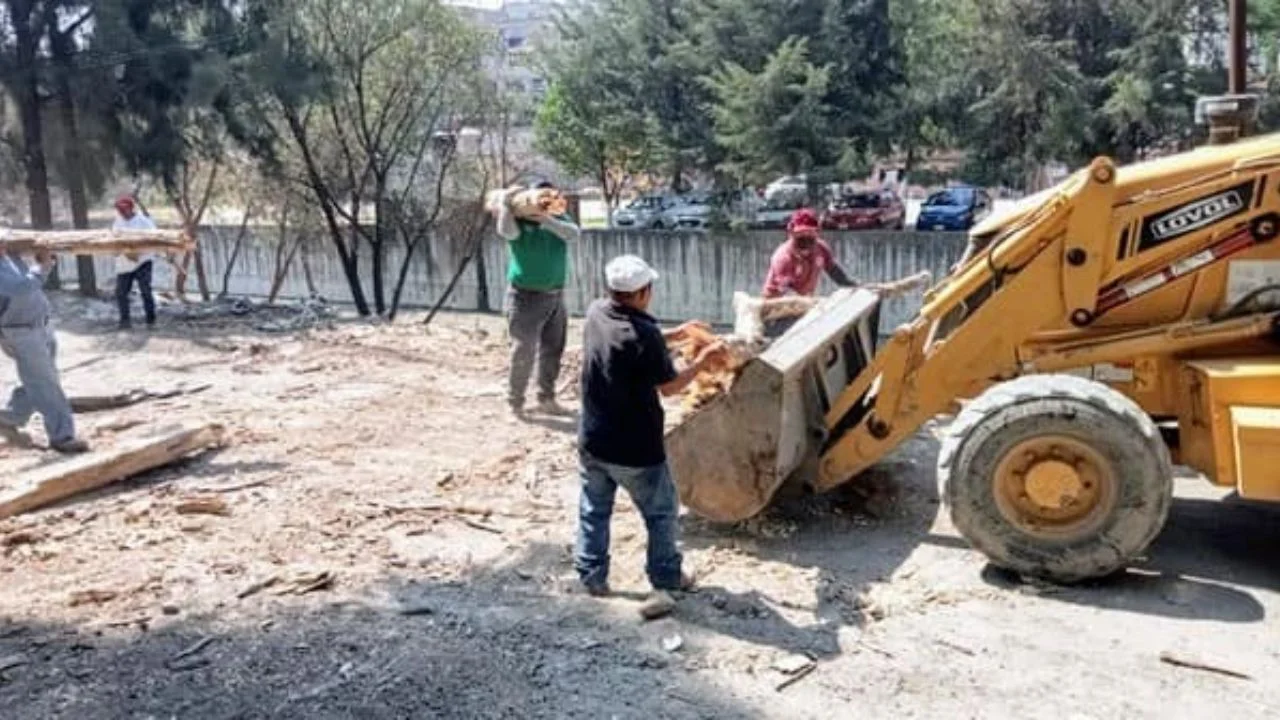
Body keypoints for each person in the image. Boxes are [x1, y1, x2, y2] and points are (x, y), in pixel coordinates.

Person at [575, 254, 727, 597]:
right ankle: (666, 576)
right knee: (660, 513)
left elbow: (637, 343)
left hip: (593, 439)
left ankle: (591, 575)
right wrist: (702, 361)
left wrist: (675, 334)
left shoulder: (596, 312)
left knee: (593, 510)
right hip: (635, 449)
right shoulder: (644, 336)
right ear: (644, 292)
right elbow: (670, 387)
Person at [496, 181, 581, 417]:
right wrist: (505, 203)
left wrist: (546, 219)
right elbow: (506, 232)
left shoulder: (558, 217)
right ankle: (516, 401)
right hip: (524, 297)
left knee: (553, 348)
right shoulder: (518, 221)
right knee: (523, 350)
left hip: (555, 294)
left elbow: (573, 234)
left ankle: (546, 398)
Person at [0, 232, 89, 454]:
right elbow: (21, 287)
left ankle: (10, 416)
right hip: (20, 332)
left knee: (39, 379)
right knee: (46, 382)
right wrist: (44, 266)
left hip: (40, 325)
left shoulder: (9, 256)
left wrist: (43, 263)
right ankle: (62, 436)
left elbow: (33, 282)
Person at [762, 207, 857, 299]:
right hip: (778, 304)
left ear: (817, 232)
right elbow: (785, 292)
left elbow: (836, 274)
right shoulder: (783, 258)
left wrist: (856, 288)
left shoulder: (821, 249)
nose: (806, 240)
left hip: (804, 301)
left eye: (810, 234)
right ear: (791, 233)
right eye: (800, 235)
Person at [112, 196, 158, 330]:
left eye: (124, 210)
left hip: (143, 260)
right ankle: (124, 321)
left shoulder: (144, 222)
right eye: (120, 210)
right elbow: (115, 240)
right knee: (121, 292)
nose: (122, 213)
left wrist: (139, 253)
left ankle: (151, 320)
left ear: (131, 209)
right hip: (125, 263)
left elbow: (154, 240)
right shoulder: (118, 222)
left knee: (146, 290)